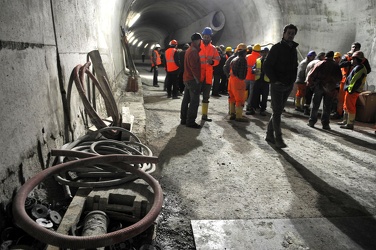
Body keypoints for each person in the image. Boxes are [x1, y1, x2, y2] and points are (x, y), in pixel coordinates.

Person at [263, 24, 299, 148]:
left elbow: (295, 66)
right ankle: (278, 138)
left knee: (277, 112)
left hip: (288, 85)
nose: (291, 35)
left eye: (293, 33)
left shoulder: (293, 49)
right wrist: (275, 80)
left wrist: (292, 81)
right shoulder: (276, 48)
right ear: (284, 33)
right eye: (289, 33)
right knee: (277, 112)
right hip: (278, 85)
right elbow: (267, 65)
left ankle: (269, 134)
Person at [333, 42, 372, 119]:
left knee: (350, 101)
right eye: (353, 47)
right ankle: (339, 113)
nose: (354, 49)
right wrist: (349, 62)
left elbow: (368, 70)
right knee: (341, 99)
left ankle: (348, 120)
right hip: (344, 81)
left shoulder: (363, 60)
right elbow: (340, 65)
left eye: (356, 47)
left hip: (354, 83)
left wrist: (359, 70)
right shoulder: (346, 57)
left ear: (359, 49)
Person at [306, 51, 342, 130]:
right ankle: (325, 124)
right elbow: (339, 78)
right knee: (327, 107)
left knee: (315, 105)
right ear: (332, 57)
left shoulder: (320, 63)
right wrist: (334, 87)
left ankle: (311, 122)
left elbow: (311, 75)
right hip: (330, 89)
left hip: (319, 87)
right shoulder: (336, 66)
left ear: (326, 56)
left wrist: (311, 85)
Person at [337, 51, 368, 130]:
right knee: (346, 105)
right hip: (351, 90)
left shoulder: (359, 68)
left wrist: (350, 90)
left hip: (352, 91)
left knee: (350, 106)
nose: (352, 61)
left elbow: (355, 81)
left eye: (353, 59)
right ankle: (345, 121)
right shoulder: (358, 67)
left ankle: (350, 123)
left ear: (357, 59)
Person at [180, 33, 203, 129]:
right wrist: (198, 80)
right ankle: (190, 121)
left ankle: (183, 119)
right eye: (200, 40)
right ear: (197, 40)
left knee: (186, 100)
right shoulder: (193, 51)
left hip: (187, 78)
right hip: (192, 80)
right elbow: (194, 68)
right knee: (194, 101)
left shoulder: (189, 50)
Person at [199, 27, 220, 122]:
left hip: (208, 77)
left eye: (208, 37)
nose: (206, 38)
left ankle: (204, 115)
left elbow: (218, 60)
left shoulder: (213, 49)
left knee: (206, 97)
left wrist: (212, 62)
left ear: (210, 37)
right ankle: (191, 115)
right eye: (205, 36)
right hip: (198, 75)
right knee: (194, 96)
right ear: (202, 36)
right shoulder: (198, 46)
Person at [228, 43, 248, 122]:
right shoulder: (242, 60)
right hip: (238, 81)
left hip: (231, 80)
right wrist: (242, 79)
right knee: (240, 99)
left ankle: (232, 114)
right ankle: (238, 116)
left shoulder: (234, 59)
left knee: (232, 97)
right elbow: (242, 74)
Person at [251, 47, 270, 116]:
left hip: (265, 81)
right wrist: (254, 70)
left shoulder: (270, 61)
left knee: (264, 97)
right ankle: (253, 108)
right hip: (258, 80)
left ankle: (263, 110)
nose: (264, 53)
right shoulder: (258, 60)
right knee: (255, 95)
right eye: (262, 52)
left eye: (265, 52)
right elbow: (253, 69)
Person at [245, 44, 262, 115]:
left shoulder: (247, 56)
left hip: (245, 77)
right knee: (251, 94)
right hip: (254, 78)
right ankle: (248, 106)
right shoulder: (260, 58)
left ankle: (239, 104)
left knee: (242, 91)